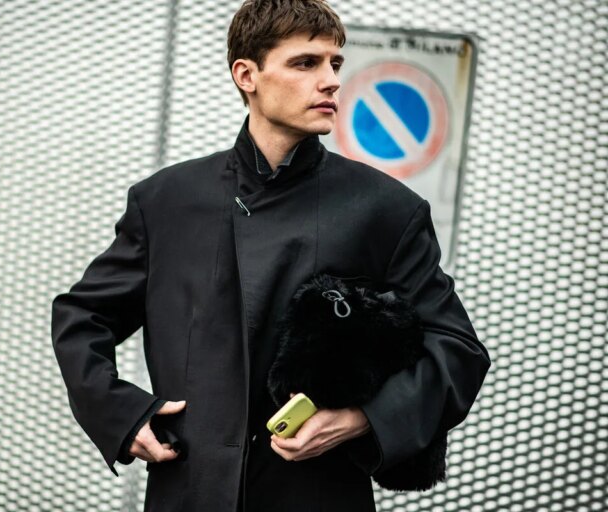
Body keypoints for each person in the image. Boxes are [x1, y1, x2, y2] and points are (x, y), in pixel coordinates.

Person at [50, 1, 491, 511]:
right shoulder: (166, 201)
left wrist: (361, 418)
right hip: (189, 490)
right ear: (247, 75)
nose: (330, 81)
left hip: (318, 497)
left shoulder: (386, 209)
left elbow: (458, 350)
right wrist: (124, 416)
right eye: (305, 63)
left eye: (335, 63)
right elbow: (82, 317)